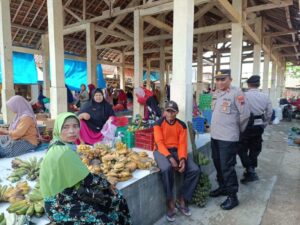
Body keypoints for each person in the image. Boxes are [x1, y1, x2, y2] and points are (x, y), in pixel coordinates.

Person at [39, 112, 132, 225]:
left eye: (75, 126)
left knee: (112, 200)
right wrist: (107, 184)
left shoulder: (58, 144)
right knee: (107, 215)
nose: (72, 131)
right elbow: (88, 179)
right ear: (58, 128)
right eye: (66, 127)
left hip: (67, 193)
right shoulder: (63, 152)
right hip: (59, 204)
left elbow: (80, 175)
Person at [153, 101, 201, 222]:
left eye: (172, 111)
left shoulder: (182, 125)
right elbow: (159, 143)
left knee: (194, 170)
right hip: (161, 151)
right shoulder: (158, 124)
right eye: (168, 111)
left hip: (177, 151)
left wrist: (183, 159)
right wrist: (170, 159)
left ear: (177, 112)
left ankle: (182, 198)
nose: (170, 113)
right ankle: (170, 201)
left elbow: (182, 144)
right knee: (166, 168)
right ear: (164, 112)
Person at [209, 69, 250, 210]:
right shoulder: (217, 93)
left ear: (230, 79)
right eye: (218, 79)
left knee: (227, 167)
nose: (219, 82)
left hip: (228, 138)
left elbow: (245, 115)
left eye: (223, 79)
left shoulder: (236, 93)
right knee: (218, 164)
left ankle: (233, 197)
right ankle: (223, 187)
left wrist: (237, 130)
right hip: (215, 136)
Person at [238, 75, 273, 184]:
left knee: (241, 148)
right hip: (259, 125)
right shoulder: (265, 96)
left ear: (248, 84)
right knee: (255, 148)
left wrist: (239, 125)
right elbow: (269, 113)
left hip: (246, 126)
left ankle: (250, 169)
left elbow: (239, 112)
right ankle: (250, 170)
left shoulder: (243, 96)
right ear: (259, 85)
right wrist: (264, 124)